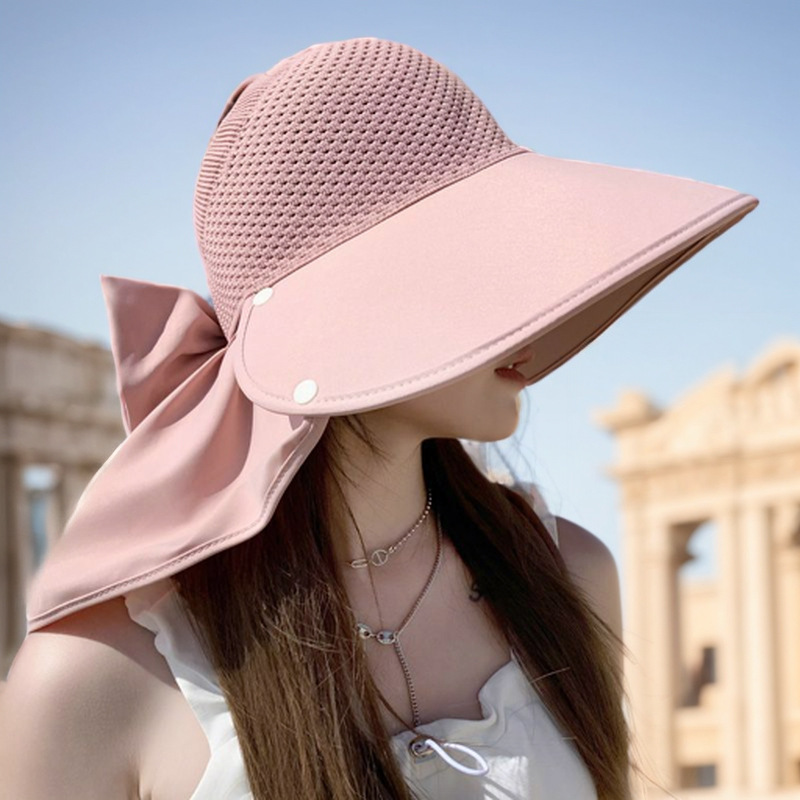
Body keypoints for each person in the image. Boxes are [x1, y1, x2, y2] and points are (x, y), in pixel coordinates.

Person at [0, 37, 757, 800]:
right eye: (483, 264)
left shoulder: (571, 576)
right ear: (354, 310)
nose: (534, 316)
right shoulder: (90, 683)